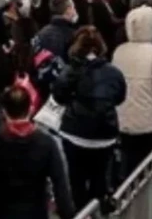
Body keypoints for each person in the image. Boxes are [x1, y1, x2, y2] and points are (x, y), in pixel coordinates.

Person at [52, 26, 128, 209]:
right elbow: (120, 97)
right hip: (104, 135)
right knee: (100, 178)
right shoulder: (113, 73)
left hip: (75, 133)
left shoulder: (70, 71)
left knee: (76, 180)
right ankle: (99, 207)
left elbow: (58, 96)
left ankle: (80, 211)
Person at [0, 85, 77, 219]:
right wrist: (68, 214)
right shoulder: (46, 143)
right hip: (35, 213)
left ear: (4, 112)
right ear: (30, 110)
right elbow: (60, 186)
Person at [111, 5, 152, 179]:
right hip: (150, 120)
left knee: (127, 162)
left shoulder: (119, 51)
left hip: (123, 118)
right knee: (148, 166)